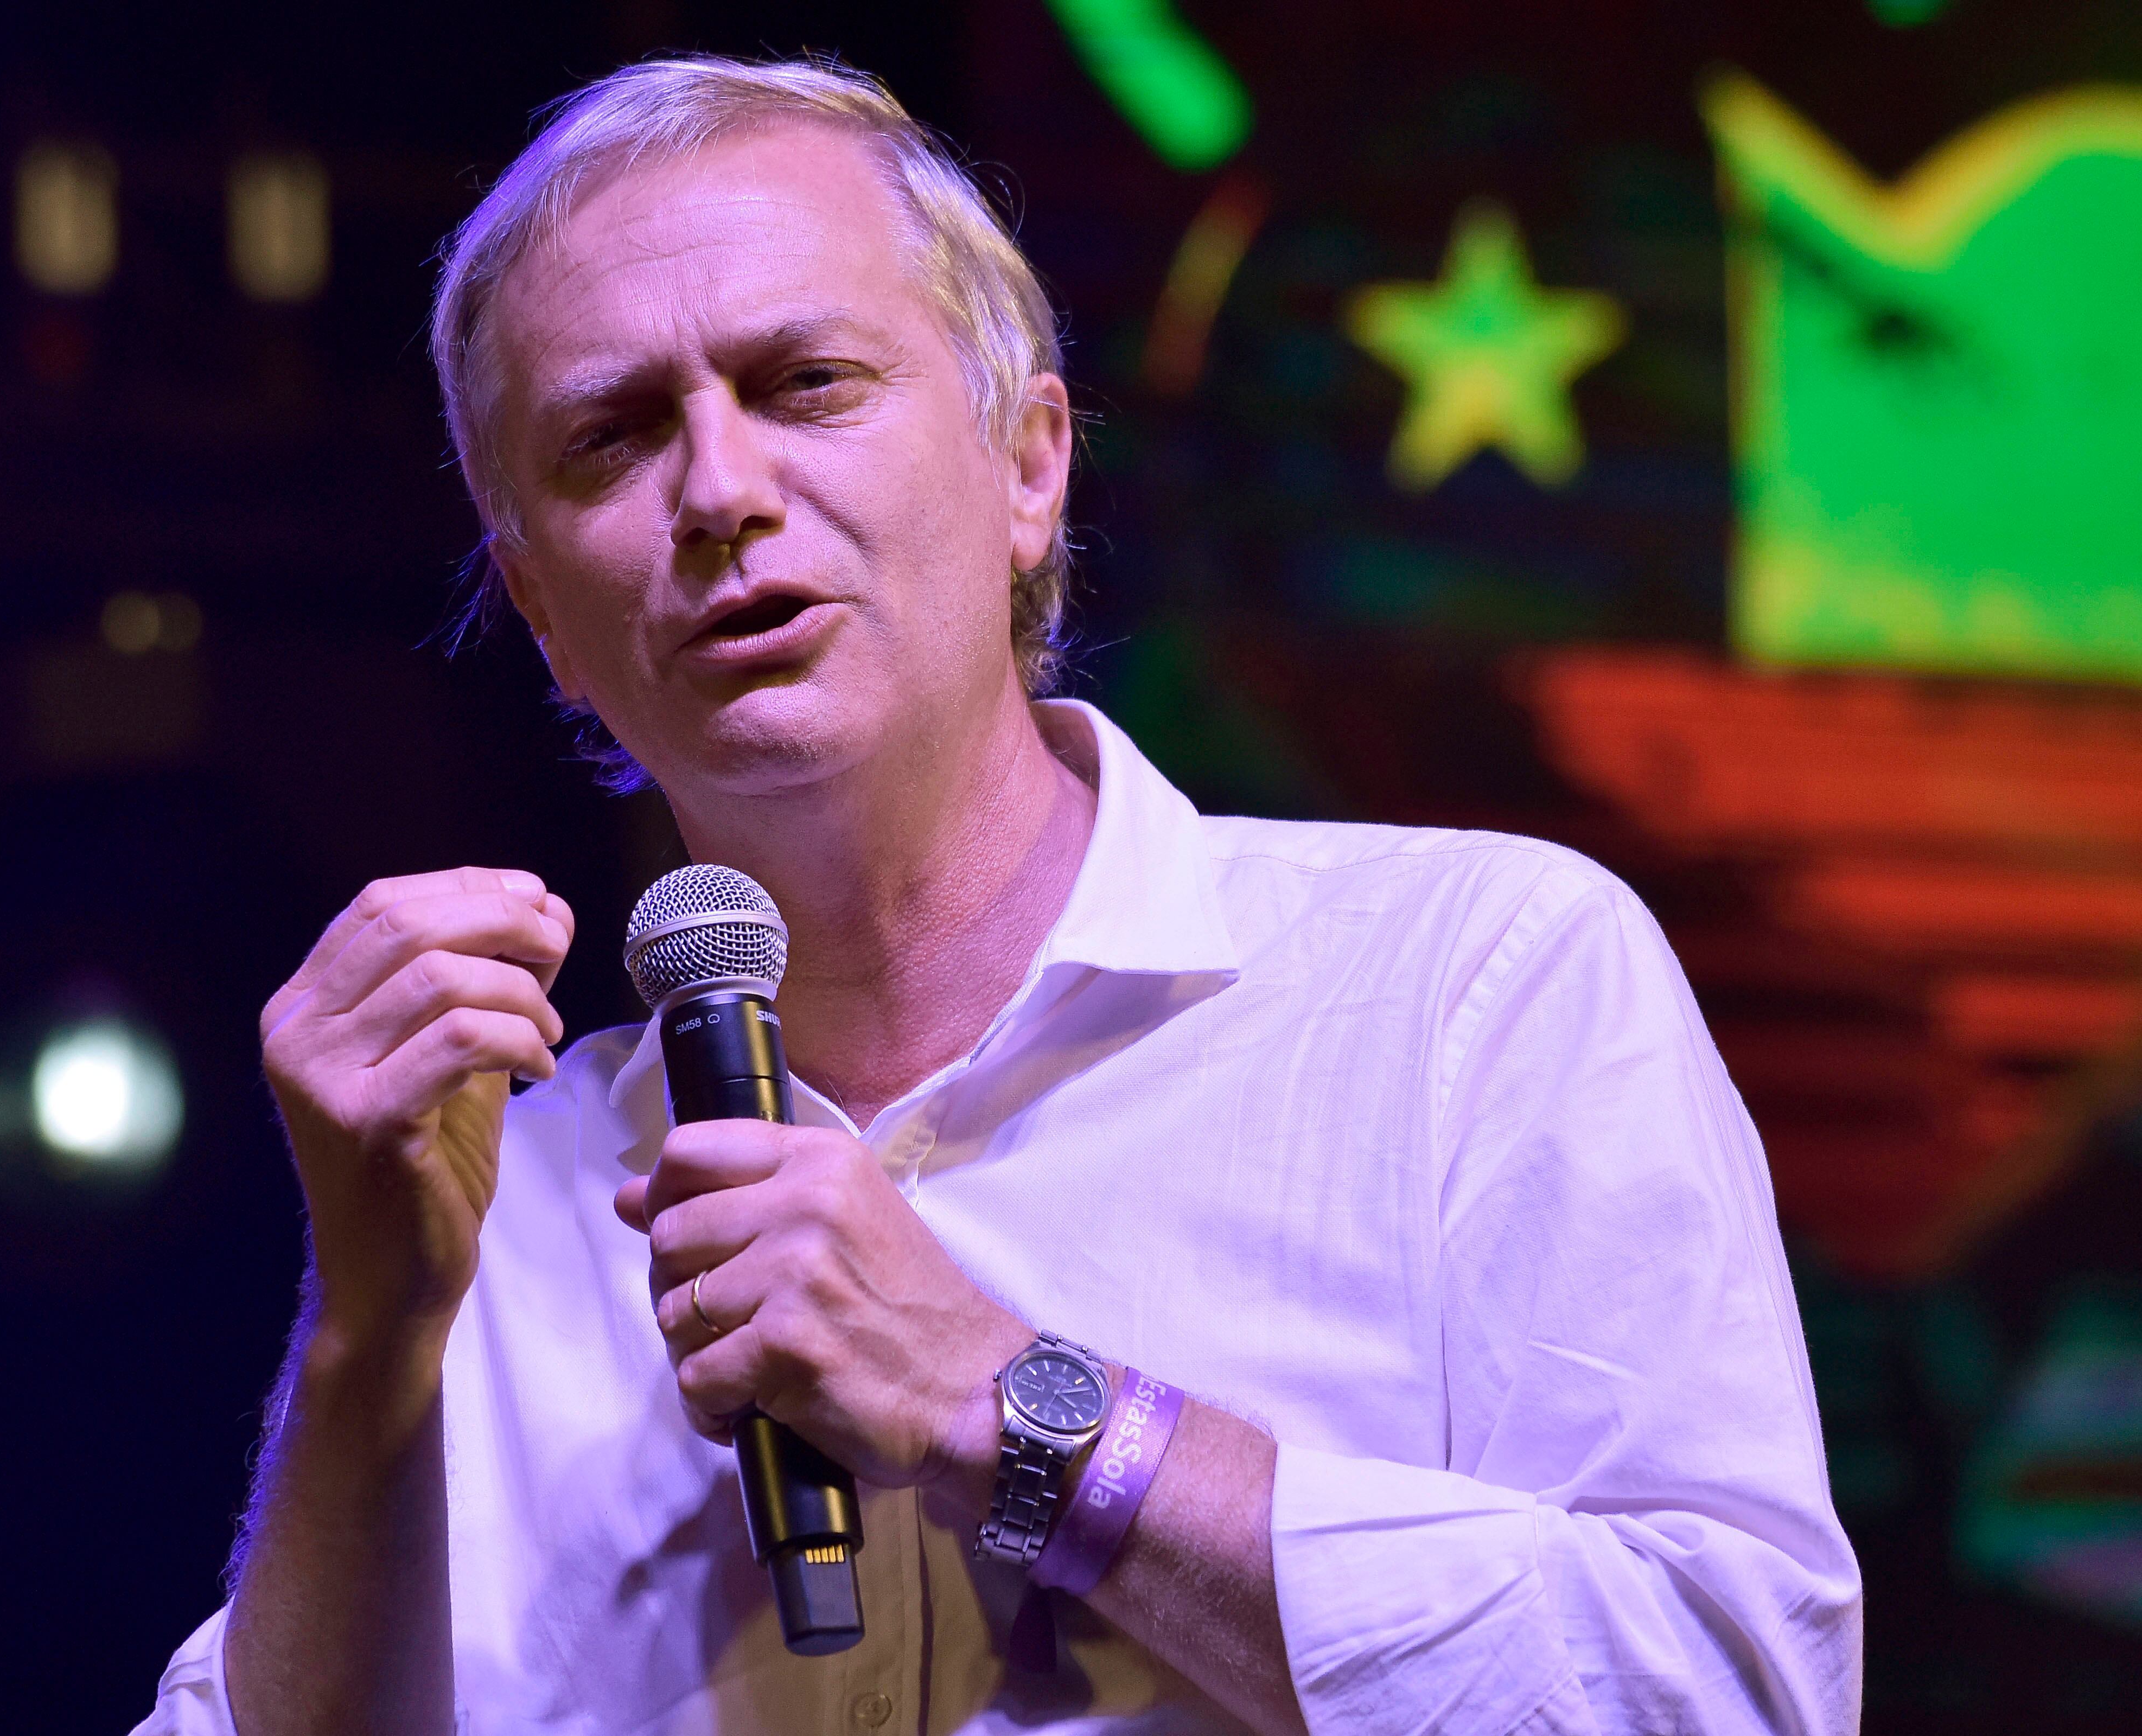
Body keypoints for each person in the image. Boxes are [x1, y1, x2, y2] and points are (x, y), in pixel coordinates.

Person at [135, 56, 1859, 1736]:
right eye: (613, 438)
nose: (723, 493)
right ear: (544, 621)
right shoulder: (487, 1206)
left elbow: (1736, 1693)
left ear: (1030, 467)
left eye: (806, 381)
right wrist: (369, 1337)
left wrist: (1021, 1412)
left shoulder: (1478, 988)